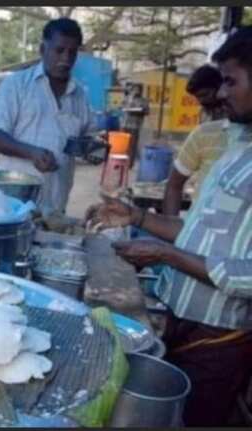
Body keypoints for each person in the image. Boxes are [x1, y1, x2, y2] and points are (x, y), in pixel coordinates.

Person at [85, 27, 252, 427]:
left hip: (220, 337)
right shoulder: (239, 150)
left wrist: (167, 255)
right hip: (185, 324)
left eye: (231, 81)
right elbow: (202, 232)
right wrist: (138, 218)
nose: (221, 93)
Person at [0, 18, 94, 217]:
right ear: (43, 49)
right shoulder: (17, 85)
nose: (66, 58)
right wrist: (31, 152)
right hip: (14, 206)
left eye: (72, 52)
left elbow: (84, 139)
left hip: (56, 206)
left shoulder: (79, 94)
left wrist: (91, 148)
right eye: (59, 50)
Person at [162, 65, 228, 215]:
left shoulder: (236, 114)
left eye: (205, 95)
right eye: (198, 97)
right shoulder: (205, 119)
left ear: (219, 87)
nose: (201, 101)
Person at [121, 83, 149, 167]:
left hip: (135, 125)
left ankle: (129, 164)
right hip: (125, 124)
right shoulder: (127, 98)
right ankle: (121, 162)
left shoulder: (143, 100)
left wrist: (141, 110)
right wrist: (126, 106)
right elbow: (122, 107)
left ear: (141, 91)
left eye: (138, 89)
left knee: (132, 145)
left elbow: (147, 111)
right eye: (134, 89)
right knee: (123, 144)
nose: (136, 91)